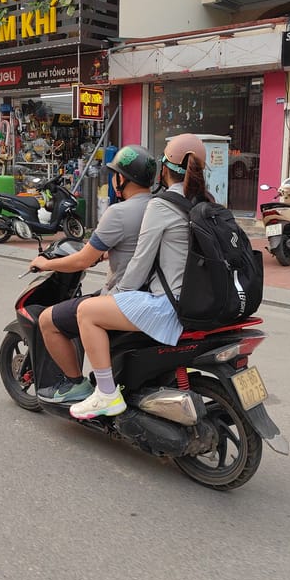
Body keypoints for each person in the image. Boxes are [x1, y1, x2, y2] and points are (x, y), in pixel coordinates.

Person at [69, 134, 209, 420]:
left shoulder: (162, 205)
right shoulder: (204, 201)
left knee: (86, 312)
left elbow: (140, 264)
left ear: (164, 169)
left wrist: (112, 296)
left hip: (170, 306)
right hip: (200, 302)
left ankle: (107, 394)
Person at [28, 145, 157, 404]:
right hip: (152, 293)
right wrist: (110, 253)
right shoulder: (159, 207)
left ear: (122, 178)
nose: (113, 179)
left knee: (48, 320)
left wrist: (46, 264)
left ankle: (76, 384)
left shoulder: (118, 213)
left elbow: (82, 260)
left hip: (124, 297)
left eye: (114, 174)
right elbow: (139, 245)